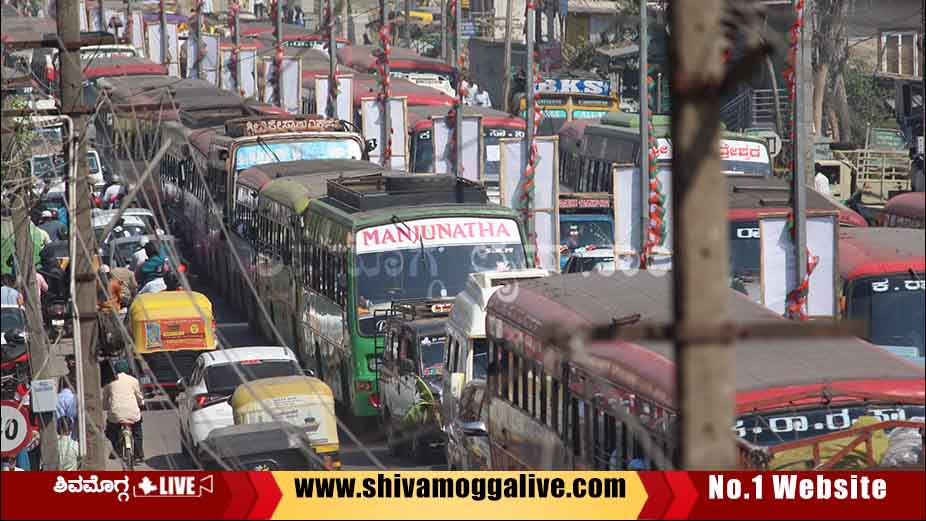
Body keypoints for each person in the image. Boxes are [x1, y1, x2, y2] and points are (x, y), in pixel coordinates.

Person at [102, 359, 144, 460]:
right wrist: (141, 403)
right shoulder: (134, 381)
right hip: (132, 414)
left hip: (115, 414)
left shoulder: (110, 382)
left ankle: (116, 450)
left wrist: (105, 407)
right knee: (137, 432)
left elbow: (105, 399)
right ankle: (139, 454)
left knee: (110, 431)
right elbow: (139, 396)